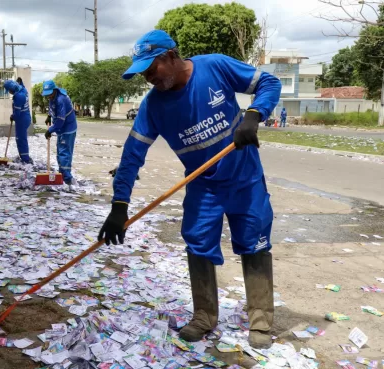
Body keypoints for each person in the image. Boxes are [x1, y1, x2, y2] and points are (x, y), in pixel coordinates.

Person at [97, 30, 281, 349]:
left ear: (171, 56)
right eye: (143, 73)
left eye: (151, 69)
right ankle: (204, 317)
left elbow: (270, 83)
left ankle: (261, 322)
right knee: (197, 243)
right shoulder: (153, 106)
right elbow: (131, 156)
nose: (148, 78)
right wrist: (119, 205)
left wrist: (254, 114)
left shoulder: (215, 67)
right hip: (203, 184)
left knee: (254, 244)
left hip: (244, 178)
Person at [42, 80, 78, 189]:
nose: (48, 96)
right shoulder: (53, 97)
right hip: (61, 129)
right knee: (60, 152)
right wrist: (49, 116)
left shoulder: (61, 99)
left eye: (49, 93)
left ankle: (68, 179)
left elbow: (61, 120)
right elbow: (52, 108)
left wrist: (50, 130)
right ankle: (61, 175)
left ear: (54, 90)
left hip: (68, 128)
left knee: (64, 154)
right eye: (46, 94)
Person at [4, 80, 33, 164]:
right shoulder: (23, 90)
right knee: (21, 138)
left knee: (21, 139)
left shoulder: (18, 97)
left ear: (12, 89)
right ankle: (24, 157)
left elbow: (17, 114)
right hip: (26, 117)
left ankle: (25, 159)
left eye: (9, 90)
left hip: (22, 119)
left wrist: (13, 116)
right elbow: (21, 84)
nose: (9, 92)